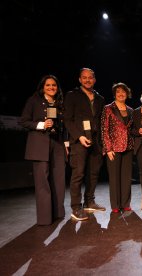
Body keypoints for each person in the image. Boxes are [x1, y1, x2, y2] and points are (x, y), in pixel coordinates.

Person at [19, 75, 66, 225]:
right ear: (42, 87)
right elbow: (24, 121)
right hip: (39, 144)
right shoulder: (33, 101)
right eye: (48, 85)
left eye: (54, 85)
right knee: (42, 182)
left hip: (57, 144)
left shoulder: (59, 103)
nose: (51, 88)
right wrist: (41, 125)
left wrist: (65, 142)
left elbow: (63, 126)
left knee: (59, 179)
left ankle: (58, 213)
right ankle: (45, 219)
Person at [64, 68, 106, 221]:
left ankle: (89, 202)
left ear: (94, 80)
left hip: (95, 141)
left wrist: (102, 144)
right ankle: (76, 207)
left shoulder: (100, 98)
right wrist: (79, 136)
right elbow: (67, 120)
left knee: (93, 173)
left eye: (90, 78)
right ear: (80, 79)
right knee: (78, 174)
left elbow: (101, 122)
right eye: (84, 78)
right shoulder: (72, 96)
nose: (88, 80)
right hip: (79, 141)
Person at [101, 83, 134, 213]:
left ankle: (126, 203)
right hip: (113, 148)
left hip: (128, 147)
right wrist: (108, 149)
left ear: (127, 94)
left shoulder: (131, 110)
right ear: (115, 94)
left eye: (123, 92)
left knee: (126, 177)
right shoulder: (108, 108)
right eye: (118, 92)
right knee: (114, 178)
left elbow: (131, 129)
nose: (121, 94)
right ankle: (115, 205)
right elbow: (104, 130)